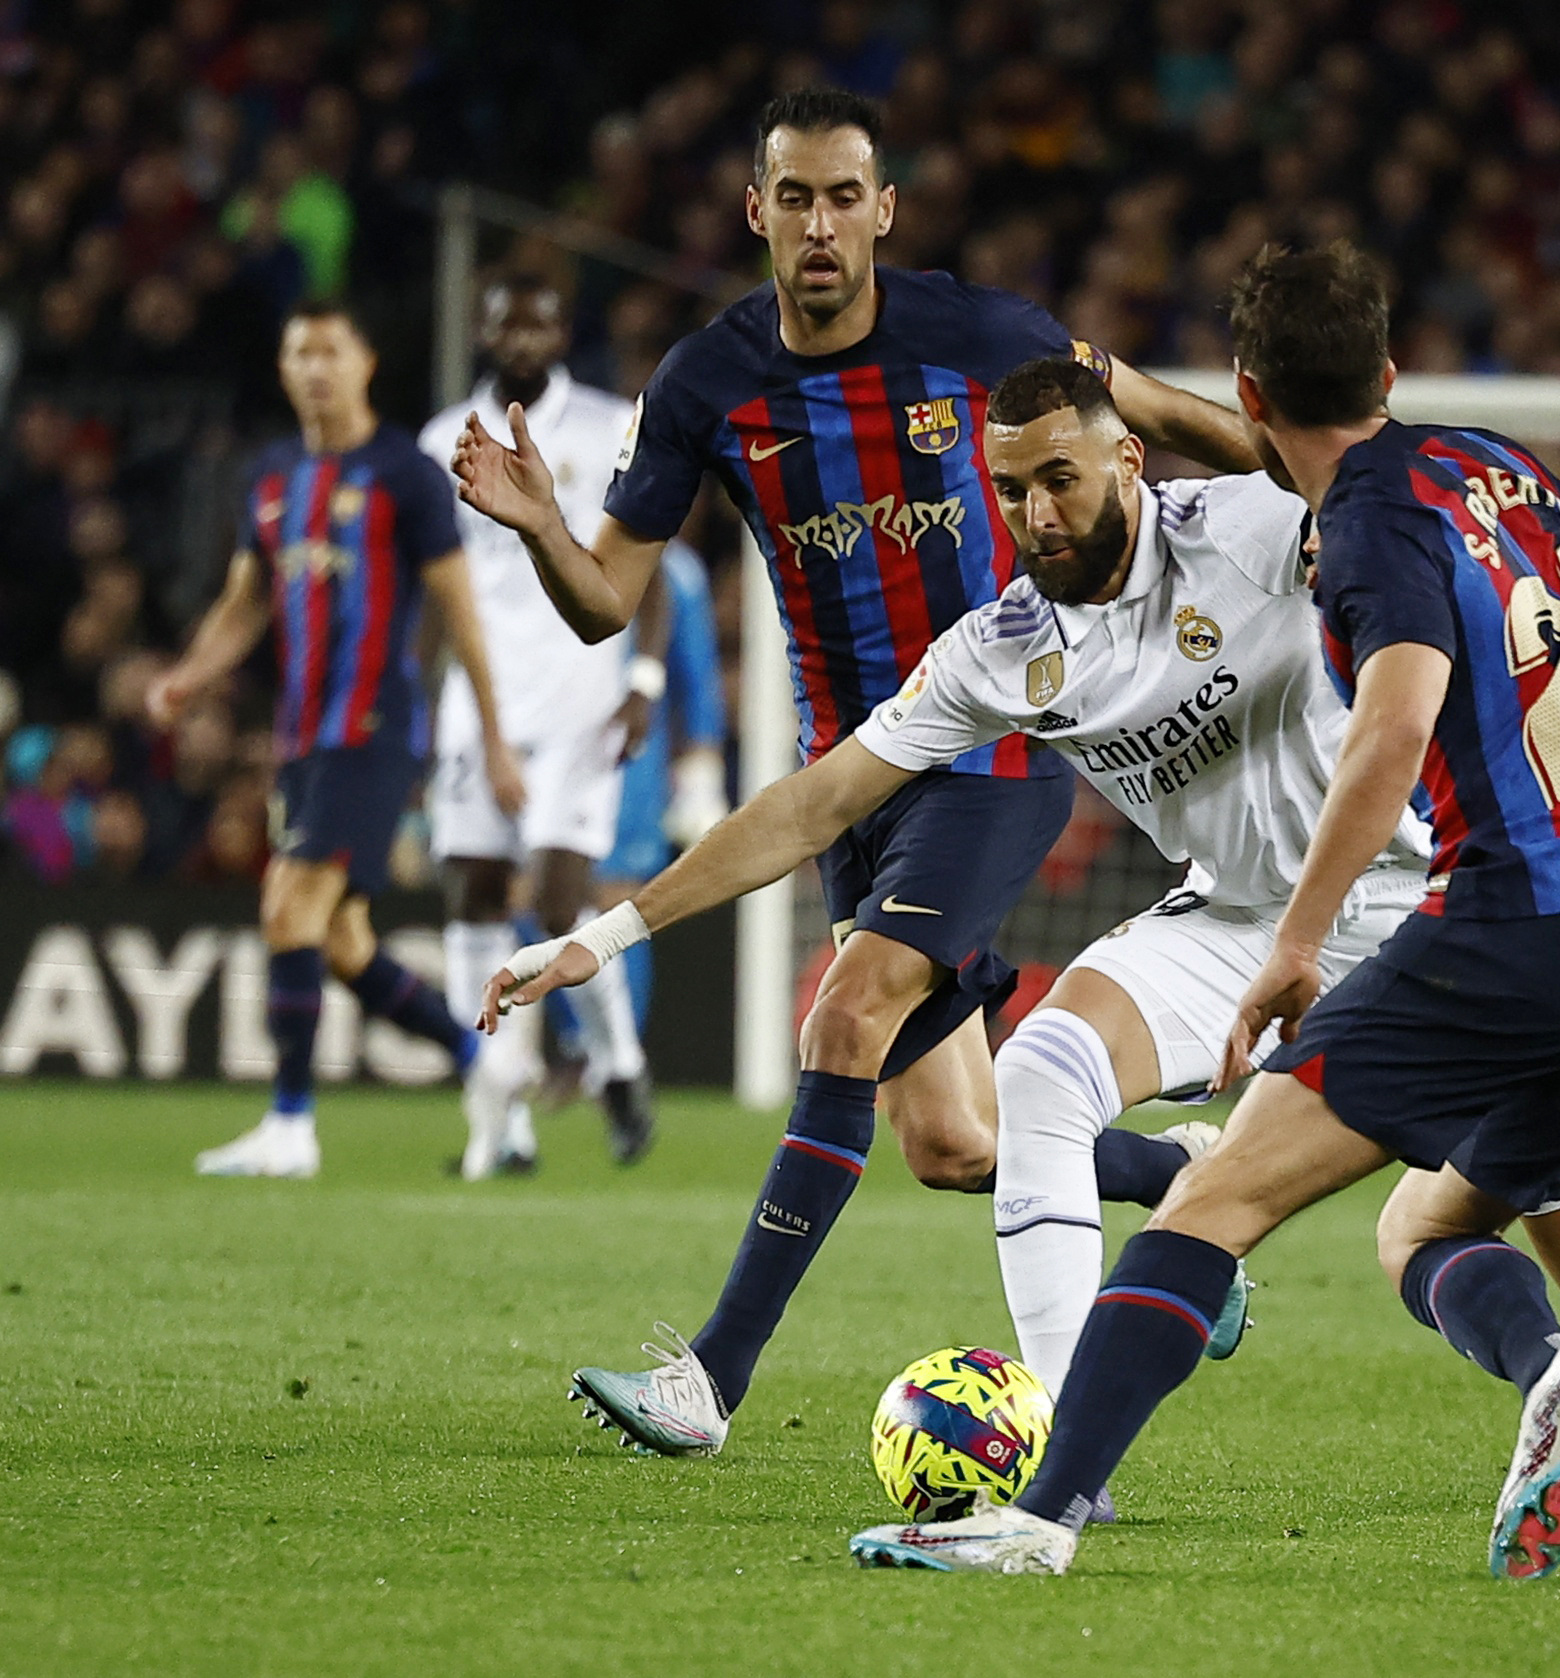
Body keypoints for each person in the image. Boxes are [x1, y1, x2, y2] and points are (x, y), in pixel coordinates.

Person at [842, 243, 1560, 1579]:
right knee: (1464, 1234)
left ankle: (1040, 1522)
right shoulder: (1492, 461)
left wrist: (1298, 943)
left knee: (1207, 1208)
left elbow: (1390, 726)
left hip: (1489, 929)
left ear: (1250, 394)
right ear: (1387, 370)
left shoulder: (1353, 524)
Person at [448, 87, 1258, 1453]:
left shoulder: (982, 334)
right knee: (950, 1141)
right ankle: (1179, 1176)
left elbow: (1164, 419)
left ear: (882, 210)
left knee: (841, 1015)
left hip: (993, 741)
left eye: (844, 198)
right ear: (754, 211)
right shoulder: (708, 382)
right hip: (847, 774)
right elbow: (602, 598)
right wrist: (538, 525)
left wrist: (1309, 487)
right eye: (794, 199)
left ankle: (708, 1379)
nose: (819, 225)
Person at [483, 358, 1432, 1497]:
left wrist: (1167, 402)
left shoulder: (1247, 524)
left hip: (1413, 899)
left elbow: (1387, 508)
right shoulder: (1003, 646)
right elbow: (811, 804)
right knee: (1019, 1087)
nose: (1036, 514)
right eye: (1013, 488)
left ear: (1127, 459)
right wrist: (612, 932)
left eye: (1062, 480)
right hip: (1231, 920)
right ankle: (1072, 1470)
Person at [149, 301, 525, 1179]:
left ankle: (290, 1124)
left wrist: (496, 740)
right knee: (344, 941)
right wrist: (190, 676)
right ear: (283, 369)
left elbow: (463, 616)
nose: (314, 367)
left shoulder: (406, 474)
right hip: (304, 740)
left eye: (330, 350)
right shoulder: (273, 476)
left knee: (289, 905)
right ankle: (489, 1064)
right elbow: (246, 601)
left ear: (367, 362)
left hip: (375, 729)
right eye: (299, 352)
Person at [419, 276, 657, 1176]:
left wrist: (643, 679)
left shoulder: (607, 427)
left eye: (541, 316)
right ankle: (501, 1125)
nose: (523, 332)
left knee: (557, 903)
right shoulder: (443, 441)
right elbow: (437, 595)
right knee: (474, 897)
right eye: (508, 317)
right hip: (475, 707)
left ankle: (618, 1066)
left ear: (563, 328)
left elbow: (648, 557)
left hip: (580, 701)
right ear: (482, 329)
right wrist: (418, 704)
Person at [597, 537, 730, 1033]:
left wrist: (702, 769)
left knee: (616, 900)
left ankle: (621, 1054)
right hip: (550, 744)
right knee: (531, 897)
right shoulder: (553, 545)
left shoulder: (676, 569)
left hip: (631, 759)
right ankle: (573, 1043)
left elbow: (698, 676)